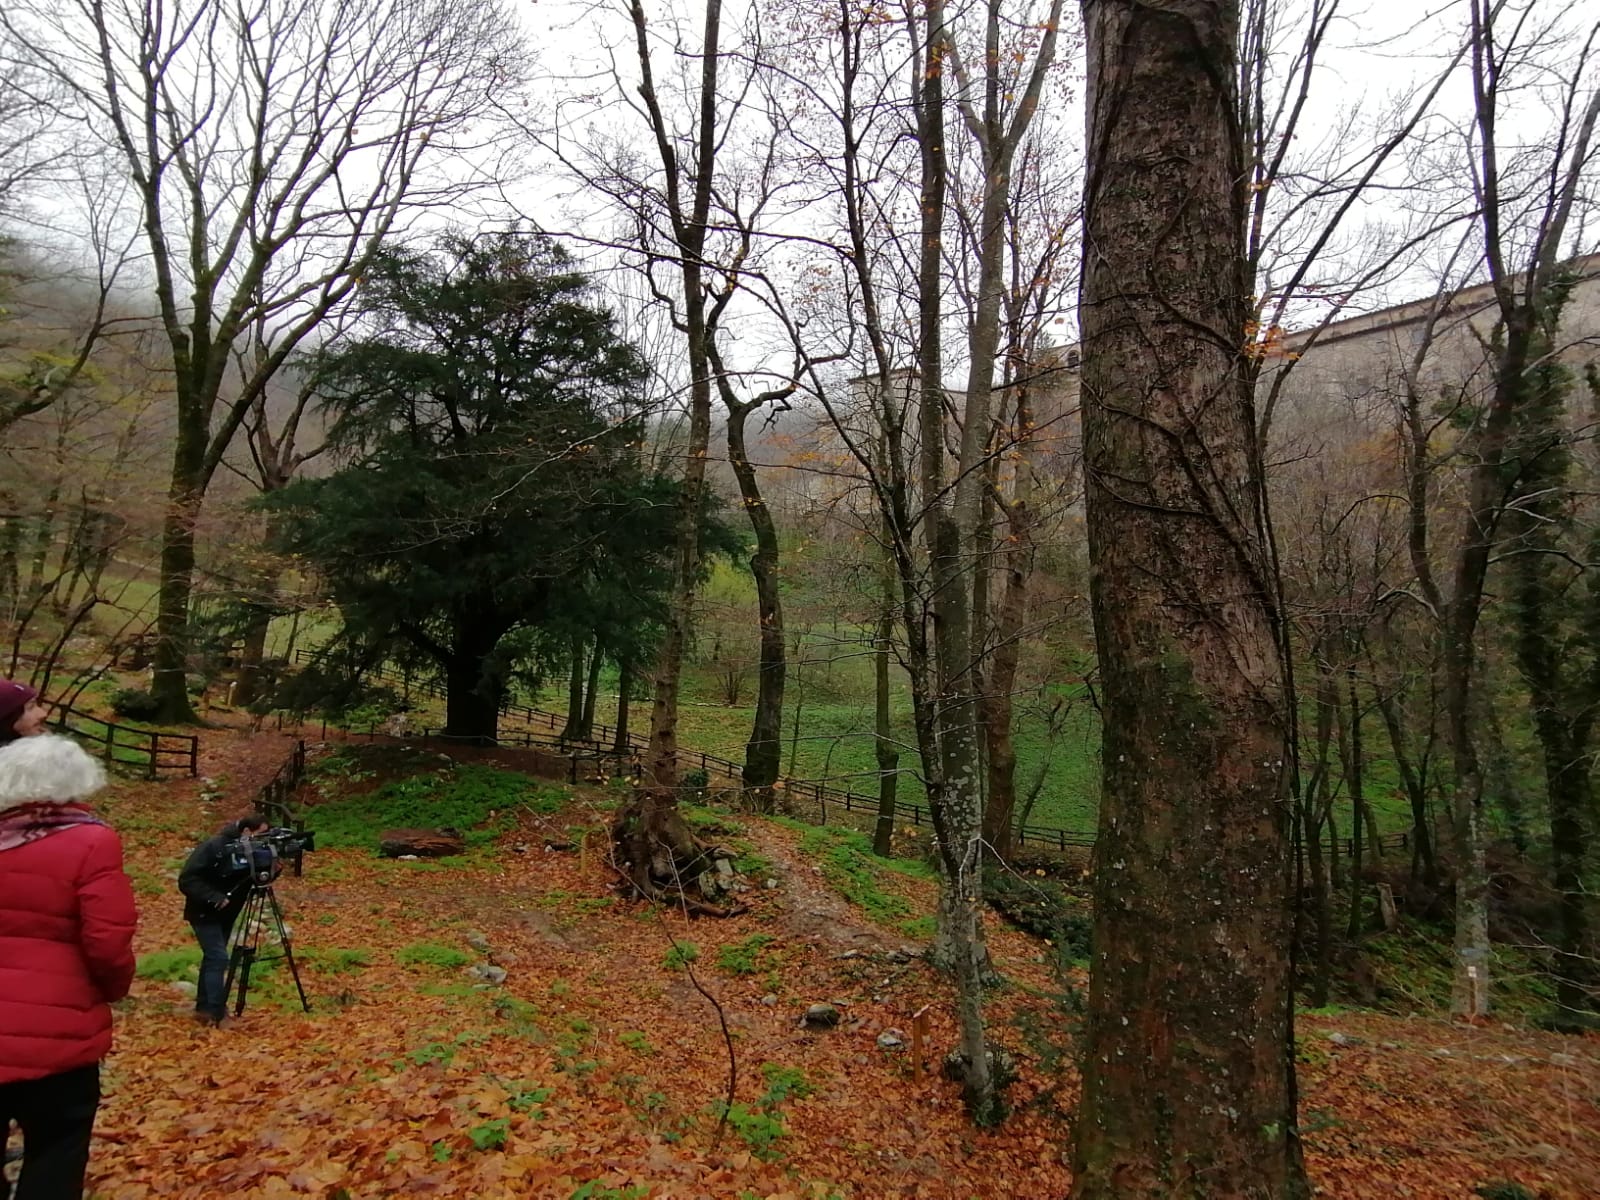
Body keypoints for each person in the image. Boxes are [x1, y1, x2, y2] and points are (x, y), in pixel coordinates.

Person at [0, 680, 137, 1200]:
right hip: (58, 1034)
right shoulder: (91, 841)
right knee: (57, 1150)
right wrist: (110, 988)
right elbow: (108, 939)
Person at [179, 813, 272, 1026]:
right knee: (219, 958)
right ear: (246, 831)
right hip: (204, 911)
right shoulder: (214, 846)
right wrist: (214, 897)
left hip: (226, 914)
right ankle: (217, 1013)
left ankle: (204, 1008)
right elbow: (187, 879)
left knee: (212, 959)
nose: (262, 839)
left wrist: (271, 869)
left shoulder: (250, 849)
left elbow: (253, 879)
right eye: (260, 834)